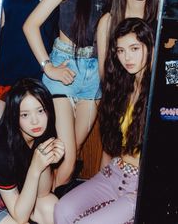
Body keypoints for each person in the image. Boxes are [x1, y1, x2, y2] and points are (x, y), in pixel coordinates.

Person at [23, 0, 124, 189]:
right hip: (63, 68)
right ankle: (35, 209)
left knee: (73, 151)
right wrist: (49, 67)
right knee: (66, 159)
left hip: (94, 77)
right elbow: (30, 24)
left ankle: (41, 205)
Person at [54, 17, 154, 224]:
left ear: (150, 47)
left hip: (142, 185)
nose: (127, 57)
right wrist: (101, 177)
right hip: (115, 172)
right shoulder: (120, 88)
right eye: (120, 50)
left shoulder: (163, 90)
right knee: (62, 210)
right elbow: (110, 145)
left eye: (135, 48)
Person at [0, 78, 65, 224]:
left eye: (40, 111)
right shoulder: (1, 149)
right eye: (25, 115)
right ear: (14, 116)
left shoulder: (40, 134)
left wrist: (45, 162)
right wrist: (35, 167)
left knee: (51, 206)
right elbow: (20, 217)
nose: (35, 121)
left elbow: (42, 194)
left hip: (18, 193)